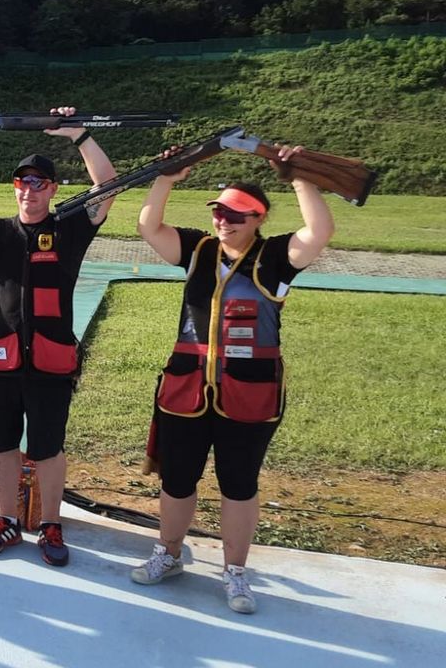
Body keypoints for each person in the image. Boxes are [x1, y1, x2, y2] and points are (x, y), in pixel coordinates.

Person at [129, 146, 334, 614]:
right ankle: (169, 553)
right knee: (177, 480)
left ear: (259, 218)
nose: (224, 221)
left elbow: (320, 231)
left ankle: (236, 573)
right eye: (220, 211)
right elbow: (148, 227)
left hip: (250, 395)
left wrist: (299, 177)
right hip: (186, 392)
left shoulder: (277, 256)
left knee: (238, 484)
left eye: (237, 215)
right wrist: (167, 177)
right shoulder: (199, 250)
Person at [0, 106, 117, 565]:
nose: (28, 191)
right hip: (4, 360)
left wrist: (79, 136)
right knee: (2, 447)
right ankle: (6, 520)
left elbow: (108, 187)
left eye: (38, 183)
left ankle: (51, 525)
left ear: (52, 190)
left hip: (51, 361)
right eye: (21, 182)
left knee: (49, 448)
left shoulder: (69, 228)